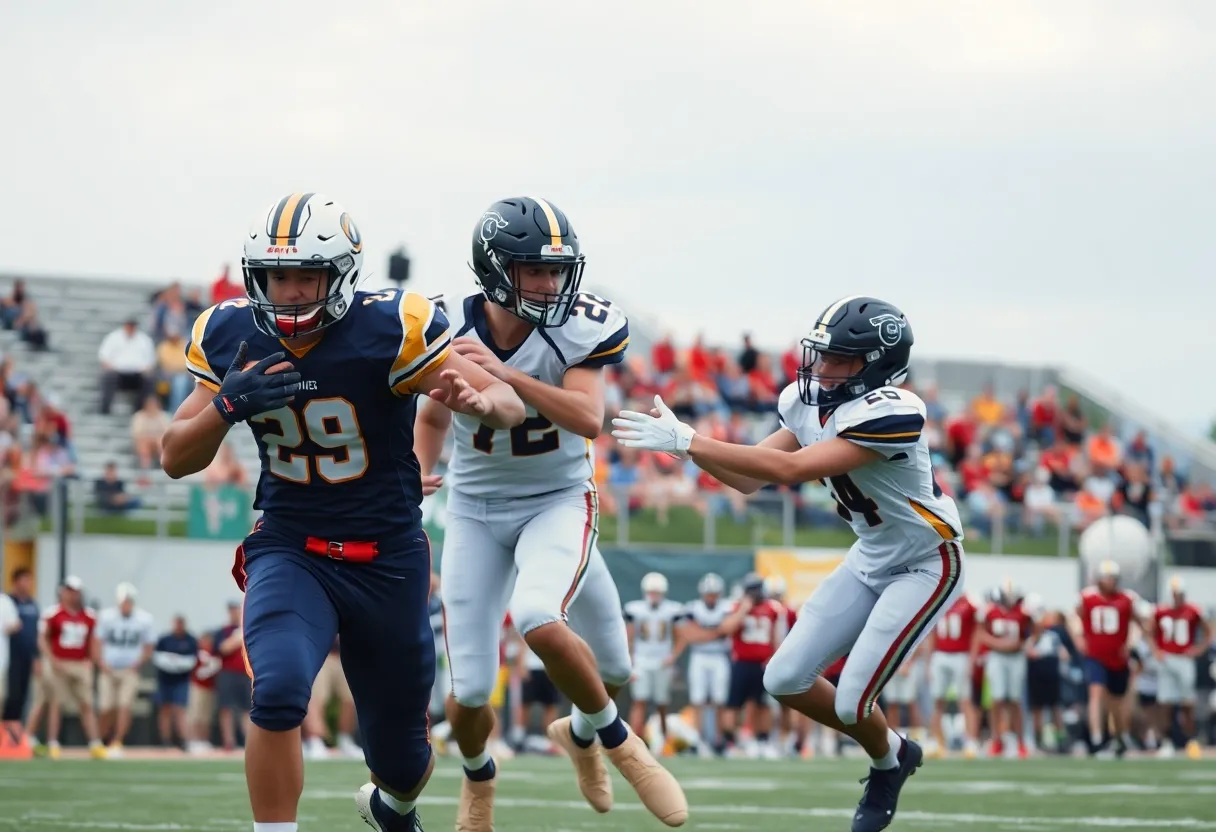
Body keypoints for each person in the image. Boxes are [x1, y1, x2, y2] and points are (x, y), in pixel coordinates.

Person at [160, 192, 526, 832]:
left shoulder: (391, 327)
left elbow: (507, 402)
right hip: (291, 544)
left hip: (387, 558)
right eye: (279, 276)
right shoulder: (231, 334)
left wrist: (482, 401)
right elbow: (174, 458)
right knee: (275, 691)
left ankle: (393, 807)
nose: (292, 291)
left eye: (308, 275)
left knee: (403, 760)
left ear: (342, 275)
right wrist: (225, 409)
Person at [614, 296, 965, 832]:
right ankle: (895, 752)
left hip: (926, 562)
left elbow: (791, 469)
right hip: (870, 556)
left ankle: (884, 764)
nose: (822, 370)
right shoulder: (808, 402)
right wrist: (688, 450)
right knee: (783, 677)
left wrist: (692, 439)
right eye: (821, 356)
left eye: (840, 360)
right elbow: (750, 479)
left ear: (876, 366)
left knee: (851, 703)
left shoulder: (896, 410)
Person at [414, 196, 686, 830]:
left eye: (557, 270)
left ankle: (603, 740)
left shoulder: (576, 329)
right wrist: (416, 468)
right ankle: (480, 777)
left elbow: (588, 419)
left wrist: (509, 374)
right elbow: (430, 415)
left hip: (559, 501)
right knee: (472, 688)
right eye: (534, 271)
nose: (550, 284)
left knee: (599, 657)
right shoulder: (444, 325)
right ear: (495, 270)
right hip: (476, 510)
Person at [1076, 560, 1146, 758]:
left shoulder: (1127, 599)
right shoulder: (1087, 598)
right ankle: (1097, 739)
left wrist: (1132, 643)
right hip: (1095, 656)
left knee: (1117, 703)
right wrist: (1079, 639)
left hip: (1118, 658)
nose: (1109, 581)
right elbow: (1075, 619)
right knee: (1096, 693)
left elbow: (1139, 623)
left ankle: (1119, 737)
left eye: (1112, 578)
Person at [92, 582, 156, 755]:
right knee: (106, 707)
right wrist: (101, 662)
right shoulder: (106, 617)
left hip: (129, 670)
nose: (125, 604)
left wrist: (137, 662)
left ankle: (117, 741)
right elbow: (97, 642)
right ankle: (102, 738)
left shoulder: (144, 619)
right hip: (108, 668)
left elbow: (149, 646)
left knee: (124, 705)